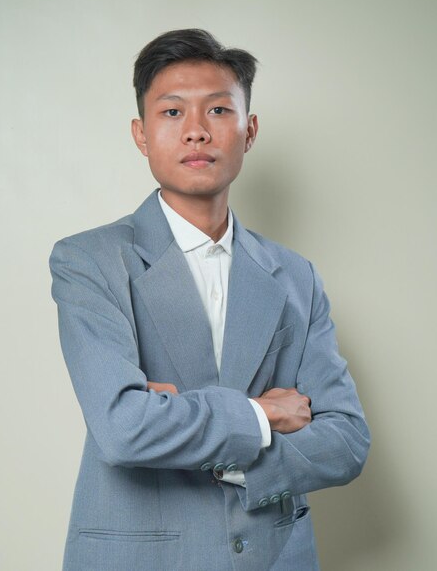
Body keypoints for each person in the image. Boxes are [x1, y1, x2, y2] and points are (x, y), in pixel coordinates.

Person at [50, 28, 370, 571]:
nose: (196, 131)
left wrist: (184, 424)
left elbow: (345, 440)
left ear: (249, 131)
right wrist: (263, 415)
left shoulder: (296, 276)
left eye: (219, 110)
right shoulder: (88, 261)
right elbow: (123, 427)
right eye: (172, 113)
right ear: (141, 134)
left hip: (275, 555)